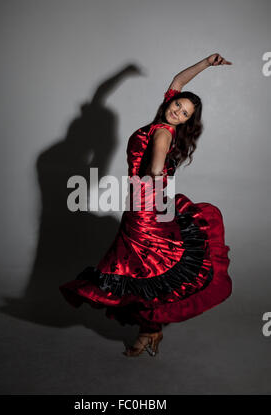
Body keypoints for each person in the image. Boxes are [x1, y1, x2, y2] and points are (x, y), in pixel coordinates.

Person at [59, 53, 233, 357]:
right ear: (170, 102)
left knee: (142, 269)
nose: (178, 111)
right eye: (177, 104)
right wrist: (206, 63)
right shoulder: (162, 121)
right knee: (145, 268)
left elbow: (153, 171)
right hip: (146, 200)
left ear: (187, 121)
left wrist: (149, 183)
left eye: (185, 113)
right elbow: (179, 81)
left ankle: (150, 331)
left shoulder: (163, 133)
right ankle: (151, 332)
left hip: (146, 205)